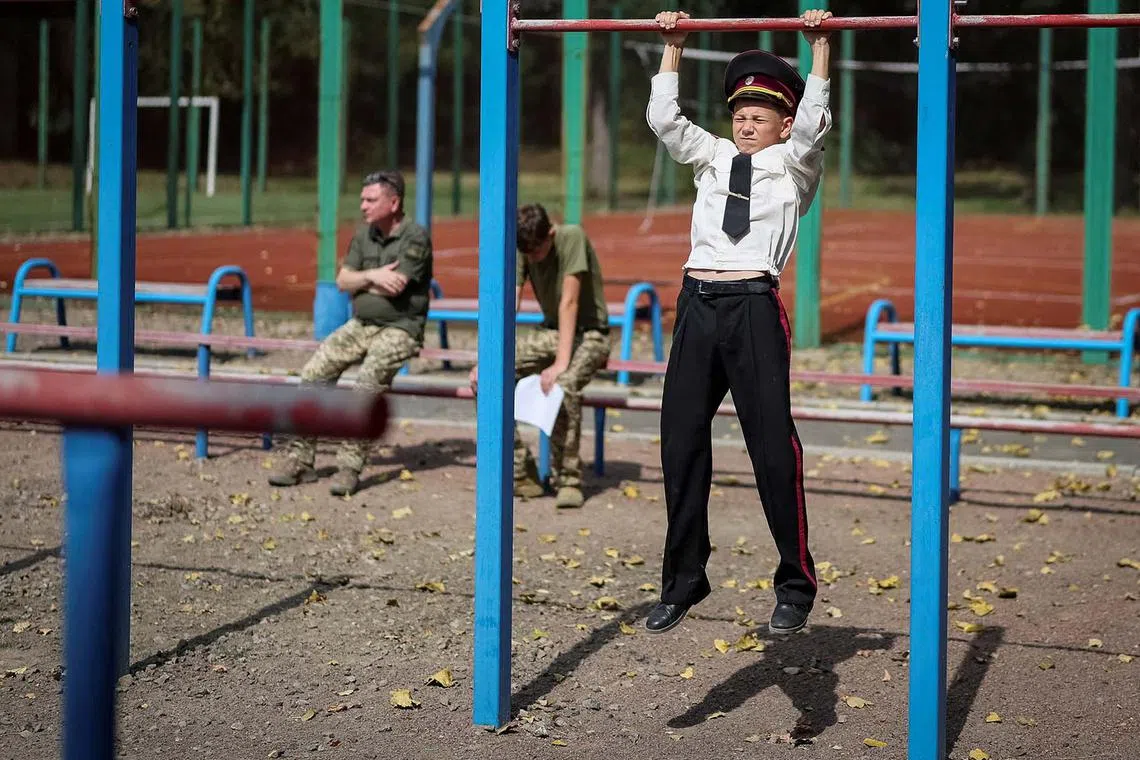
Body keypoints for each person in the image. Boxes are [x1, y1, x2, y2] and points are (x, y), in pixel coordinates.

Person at [643, 9, 833, 635]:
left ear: (783, 123)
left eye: (760, 118)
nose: (747, 125)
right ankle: (684, 579)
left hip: (752, 305)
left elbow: (813, 123)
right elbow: (665, 120)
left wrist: (820, 49)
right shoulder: (713, 158)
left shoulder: (796, 165)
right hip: (698, 303)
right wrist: (674, 47)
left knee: (772, 446)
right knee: (679, 439)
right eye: (740, 116)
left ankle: (796, 584)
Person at [268, 170, 433, 496]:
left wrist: (361, 280)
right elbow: (343, 281)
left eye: (370, 200)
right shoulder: (363, 235)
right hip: (361, 325)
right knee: (314, 372)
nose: (363, 206)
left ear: (394, 202)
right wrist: (372, 275)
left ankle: (348, 467)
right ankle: (301, 460)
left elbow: (395, 287)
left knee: (367, 383)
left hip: (400, 328)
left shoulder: (415, 237)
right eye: (362, 199)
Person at [469, 204, 612, 509]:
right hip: (551, 333)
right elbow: (512, 301)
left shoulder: (571, 237)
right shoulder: (524, 246)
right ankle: (522, 473)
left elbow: (569, 302)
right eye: (527, 252)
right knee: (486, 379)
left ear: (550, 233)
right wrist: (490, 358)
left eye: (538, 250)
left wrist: (561, 364)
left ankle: (569, 478)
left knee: (566, 385)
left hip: (589, 334)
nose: (533, 257)